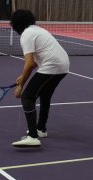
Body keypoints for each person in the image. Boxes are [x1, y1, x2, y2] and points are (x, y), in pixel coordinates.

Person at [10, 9, 70, 148]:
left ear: (17, 24)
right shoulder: (37, 30)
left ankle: (32, 136)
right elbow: (38, 59)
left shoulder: (26, 35)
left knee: (27, 97)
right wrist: (22, 75)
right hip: (63, 64)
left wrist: (21, 85)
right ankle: (40, 129)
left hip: (52, 65)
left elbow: (30, 63)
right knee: (44, 95)